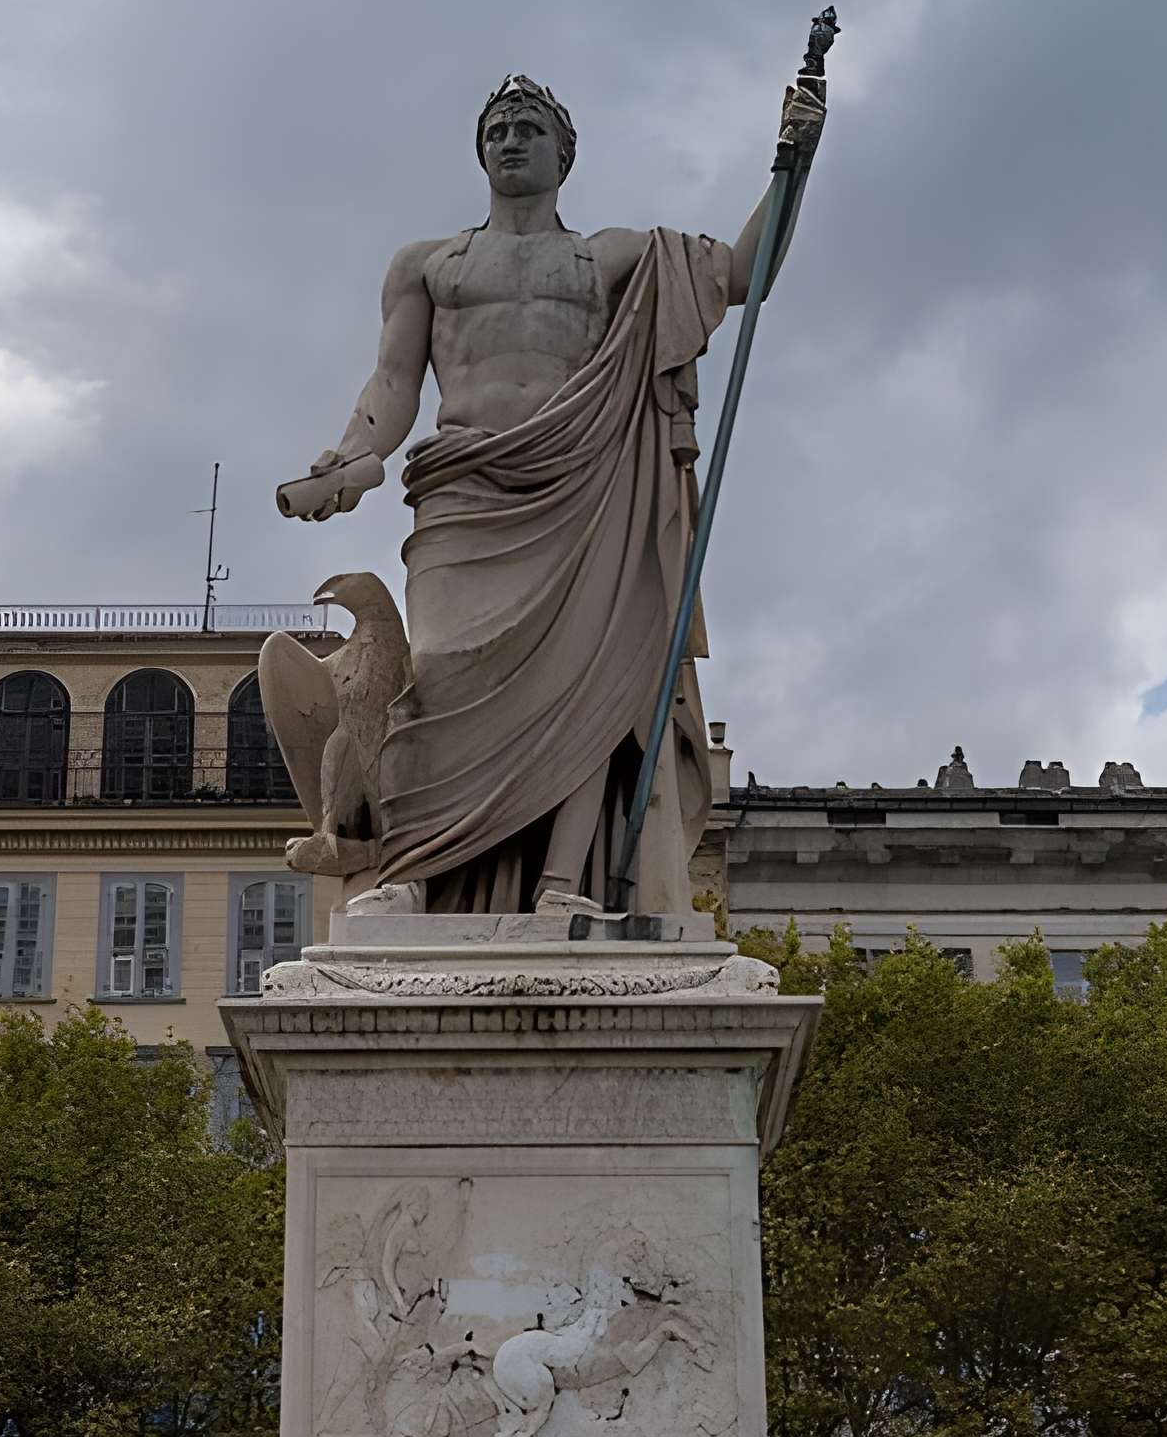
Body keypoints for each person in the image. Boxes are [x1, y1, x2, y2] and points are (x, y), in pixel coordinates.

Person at [282, 69, 825, 914]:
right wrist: (353, 458)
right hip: (464, 488)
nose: (511, 141)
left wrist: (795, 160)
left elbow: (745, 275)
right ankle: (412, 872)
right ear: (480, 152)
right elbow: (392, 382)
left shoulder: (615, 257)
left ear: (564, 155)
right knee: (437, 673)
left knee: (589, 680)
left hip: (584, 487)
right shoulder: (428, 264)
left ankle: (562, 887)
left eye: (528, 129)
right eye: (497, 130)